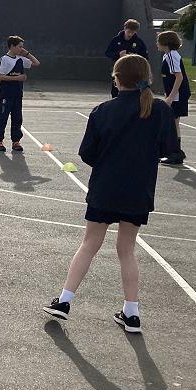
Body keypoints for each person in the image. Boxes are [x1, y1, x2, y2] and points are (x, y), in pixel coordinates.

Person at [44, 54, 174, 333]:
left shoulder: (103, 111)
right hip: (138, 190)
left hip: (105, 187)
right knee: (126, 250)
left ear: (117, 79)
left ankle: (64, 301)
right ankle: (132, 312)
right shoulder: (160, 110)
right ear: (146, 78)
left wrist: (109, 162)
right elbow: (169, 148)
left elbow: (87, 153)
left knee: (89, 243)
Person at [0, 36, 40, 153]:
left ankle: (16, 141)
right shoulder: (4, 59)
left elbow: (36, 63)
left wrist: (27, 54)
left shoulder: (21, 59)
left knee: (17, 118)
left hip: (18, 94)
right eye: (20, 46)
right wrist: (17, 78)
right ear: (12, 46)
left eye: (22, 47)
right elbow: (1, 77)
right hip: (6, 94)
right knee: (2, 118)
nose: (21, 49)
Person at [156, 30, 191, 165]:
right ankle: (174, 152)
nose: (157, 44)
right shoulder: (168, 56)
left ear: (165, 43)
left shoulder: (172, 56)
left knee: (173, 123)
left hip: (178, 95)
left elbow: (179, 77)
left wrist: (171, 97)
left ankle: (176, 153)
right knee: (173, 123)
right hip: (175, 94)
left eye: (159, 42)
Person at [104, 19, 148, 98]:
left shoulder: (139, 42)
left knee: (132, 90)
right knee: (115, 90)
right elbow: (107, 53)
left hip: (133, 71)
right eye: (129, 32)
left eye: (133, 32)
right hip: (118, 70)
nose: (130, 34)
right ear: (124, 28)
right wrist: (118, 54)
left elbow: (145, 57)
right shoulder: (116, 40)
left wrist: (134, 57)